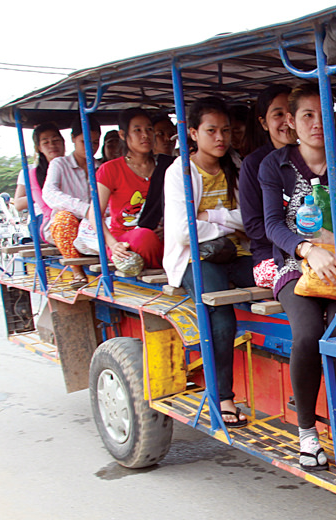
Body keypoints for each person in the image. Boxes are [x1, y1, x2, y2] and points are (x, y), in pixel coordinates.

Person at [258, 82, 336, 481]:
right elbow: (273, 224)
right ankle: (307, 433)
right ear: (291, 121)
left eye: (322, 114)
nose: (316, 123)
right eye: (306, 115)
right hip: (296, 266)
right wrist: (309, 249)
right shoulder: (275, 165)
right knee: (308, 334)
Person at [164, 98, 253, 428]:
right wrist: (231, 222)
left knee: (277, 284)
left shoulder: (236, 165)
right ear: (193, 133)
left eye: (225, 130)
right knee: (221, 317)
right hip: (196, 257)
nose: (220, 137)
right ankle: (222, 397)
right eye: (211, 130)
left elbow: (250, 219)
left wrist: (213, 216)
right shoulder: (180, 172)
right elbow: (184, 232)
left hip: (238, 252)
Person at [92, 108, 166, 269]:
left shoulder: (166, 167)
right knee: (144, 237)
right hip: (126, 240)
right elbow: (94, 213)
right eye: (137, 130)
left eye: (149, 129)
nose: (145, 135)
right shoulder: (110, 169)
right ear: (122, 135)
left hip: (161, 236)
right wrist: (113, 244)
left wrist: (168, 228)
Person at [239, 84, 294, 289]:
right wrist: (299, 242)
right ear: (263, 123)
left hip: (320, 250)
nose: (287, 120)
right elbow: (254, 226)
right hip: (272, 256)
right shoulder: (255, 164)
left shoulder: (318, 157)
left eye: (291, 112)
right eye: (278, 114)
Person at [44, 119, 102, 282]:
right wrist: (85, 209)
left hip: (95, 224)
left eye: (96, 142)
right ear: (73, 139)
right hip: (70, 226)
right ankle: (77, 271)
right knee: (64, 219)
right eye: (84, 142)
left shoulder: (102, 167)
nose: (90, 146)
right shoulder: (59, 164)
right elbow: (49, 193)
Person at [14, 122, 65, 241]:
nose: (52, 145)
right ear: (39, 148)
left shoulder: (74, 167)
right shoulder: (31, 173)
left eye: (56, 140)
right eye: (46, 142)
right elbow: (18, 204)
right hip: (43, 217)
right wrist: (40, 192)